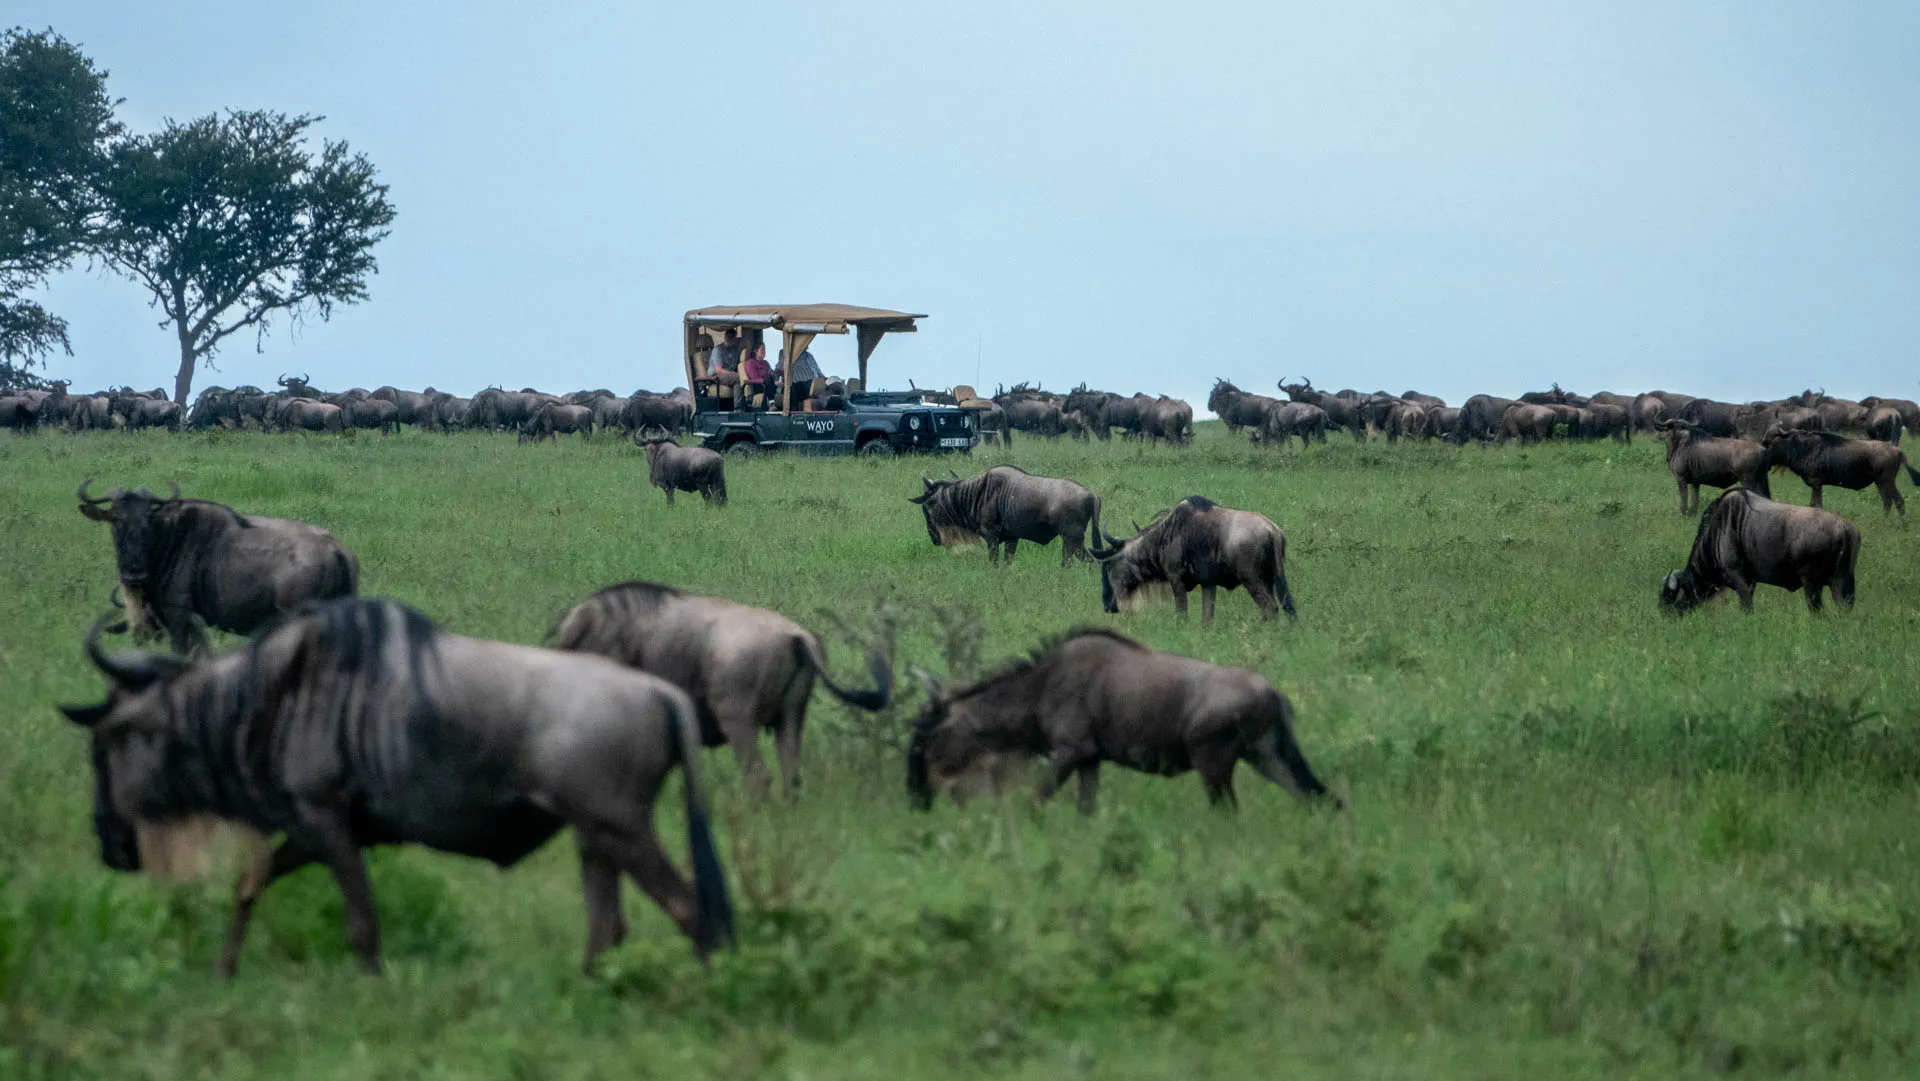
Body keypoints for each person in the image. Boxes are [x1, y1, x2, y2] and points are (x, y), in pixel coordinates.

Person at [741, 344, 774, 408]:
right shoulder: (751, 362)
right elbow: (754, 378)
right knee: (769, 381)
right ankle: (772, 404)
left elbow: (771, 373)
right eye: (762, 349)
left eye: (765, 350)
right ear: (755, 351)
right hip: (759, 386)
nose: (764, 351)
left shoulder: (766, 363)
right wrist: (764, 380)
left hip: (769, 384)